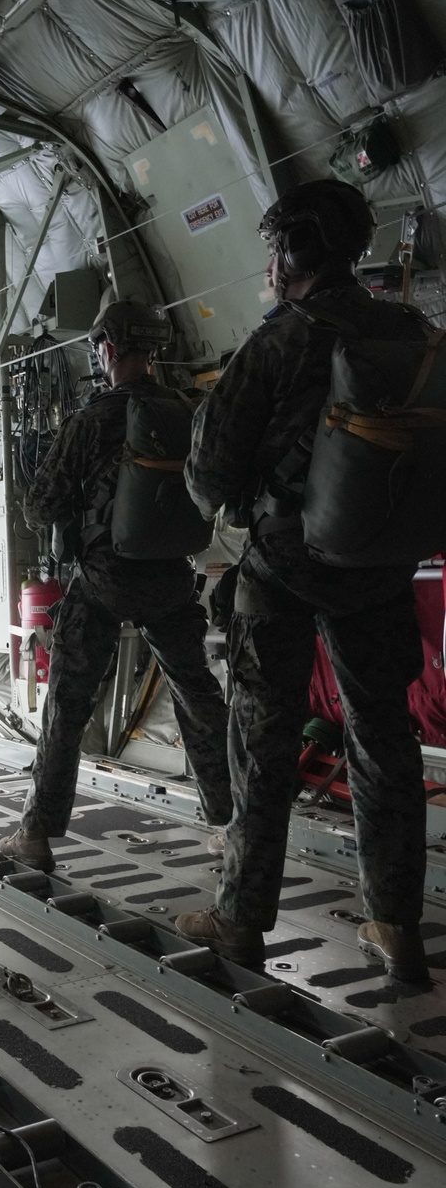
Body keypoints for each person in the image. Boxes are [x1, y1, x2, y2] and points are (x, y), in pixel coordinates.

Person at [176, 179, 431, 983]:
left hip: (286, 568)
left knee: (262, 738)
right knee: (384, 740)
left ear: (294, 251)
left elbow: (209, 476)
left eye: (276, 249)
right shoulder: (413, 331)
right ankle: (394, 925)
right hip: (380, 569)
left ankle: (242, 921)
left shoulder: (280, 340)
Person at [0, 300, 233, 873]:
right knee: (198, 697)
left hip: (103, 580)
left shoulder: (91, 420)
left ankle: (37, 831)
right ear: (151, 350)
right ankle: (229, 822)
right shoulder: (186, 410)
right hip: (172, 580)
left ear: (106, 348)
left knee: (69, 703)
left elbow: (40, 507)